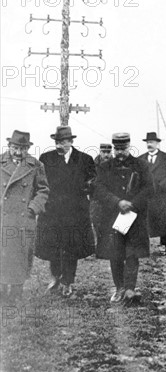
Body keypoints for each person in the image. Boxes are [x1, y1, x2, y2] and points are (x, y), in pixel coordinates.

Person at [35, 126, 96, 297]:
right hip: (53, 211)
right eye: (57, 142)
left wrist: (88, 187)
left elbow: (93, 182)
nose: (59, 145)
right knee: (53, 246)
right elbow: (41, 182)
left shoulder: (85, 159)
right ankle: (55, 277)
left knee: (71, 247)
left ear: (71, 142)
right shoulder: (46, 159)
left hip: (75, 213)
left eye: (63, 142)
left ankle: (68, 281)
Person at [94, 133, 154, 303]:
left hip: (135, 217)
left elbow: (150, 188)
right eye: (117, 149)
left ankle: (130, 288)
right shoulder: (105, 167)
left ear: (129, 147)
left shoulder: (141, 165)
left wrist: (132, 203)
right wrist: (117, 202)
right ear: (114, 148)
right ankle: (119, 288)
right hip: (113, 216)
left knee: (132, 253)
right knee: (115, 252)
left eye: (123, 149)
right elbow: (98, 189)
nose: (120, 152)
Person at [0, 131, 49, 303]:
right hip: (2, 217)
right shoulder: (0, 161)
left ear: (27, 148)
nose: (18, 152)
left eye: (22, 149)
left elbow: (43, 190)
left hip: (23, 219)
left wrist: (33, 208)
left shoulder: (35, 165)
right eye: (15, 148)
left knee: (20, 255)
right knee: (2, 254)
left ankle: (16, 291)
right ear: (9, 146)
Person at [138, 132, 166, 255]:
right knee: (144, 221)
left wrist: (160, 186)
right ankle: (143, 247)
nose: (149, 144)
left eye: (151, 142)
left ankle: (165, 246)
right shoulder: (140, 159)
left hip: (164, 196)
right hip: (147, 197)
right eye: (147, 142)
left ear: (157, 144)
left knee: (165, 222)